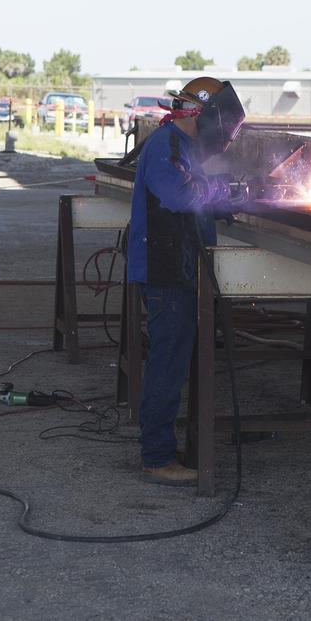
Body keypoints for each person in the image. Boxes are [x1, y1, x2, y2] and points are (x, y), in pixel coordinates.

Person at [126, 76, 247, 486]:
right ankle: (157, 457)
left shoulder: (184, 146)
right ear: (205, 115)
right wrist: (224, 192)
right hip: (166, 272)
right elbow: (179, 197)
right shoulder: (166, 146)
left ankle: (163, 448)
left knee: (175, 360)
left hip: (180, 267)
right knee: (167, 363)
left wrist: (220, 201)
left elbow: (193, 196)